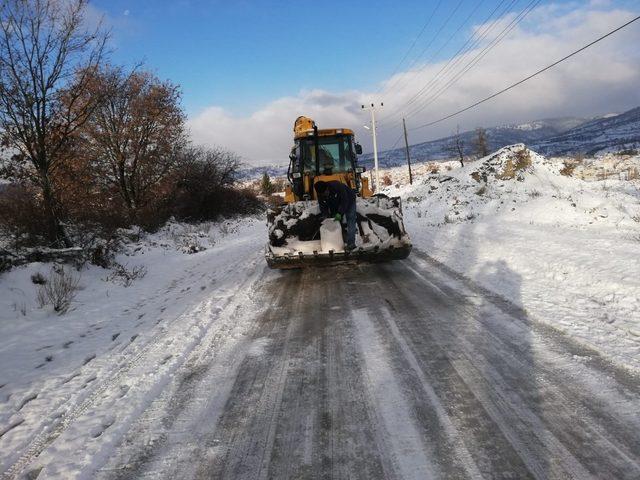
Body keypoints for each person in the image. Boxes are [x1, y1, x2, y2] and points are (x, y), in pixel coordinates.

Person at [314, 180, 357, 251]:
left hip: (349, 200)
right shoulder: (320, 193)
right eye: (322, 194)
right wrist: (325, 215)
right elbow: (322, 205)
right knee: (336, 221)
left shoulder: (337, 186)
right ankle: (340, 241)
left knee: (350, 220)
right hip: (335, 203)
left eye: (325, 193)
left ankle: (351, 244)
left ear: (327, 188)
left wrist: (340, 213)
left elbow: (344, 201)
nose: (324, 195)